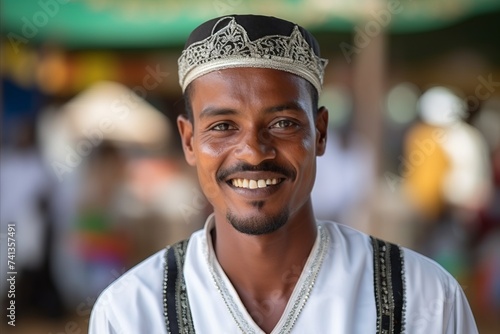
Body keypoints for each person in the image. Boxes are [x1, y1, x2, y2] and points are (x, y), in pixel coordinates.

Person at [89, 14, 478, 333]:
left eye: (283, 123)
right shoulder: (131, 314)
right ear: (189, 142)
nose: (254, 152)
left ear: (320, 132)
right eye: (223, 126)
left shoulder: (423, 299)